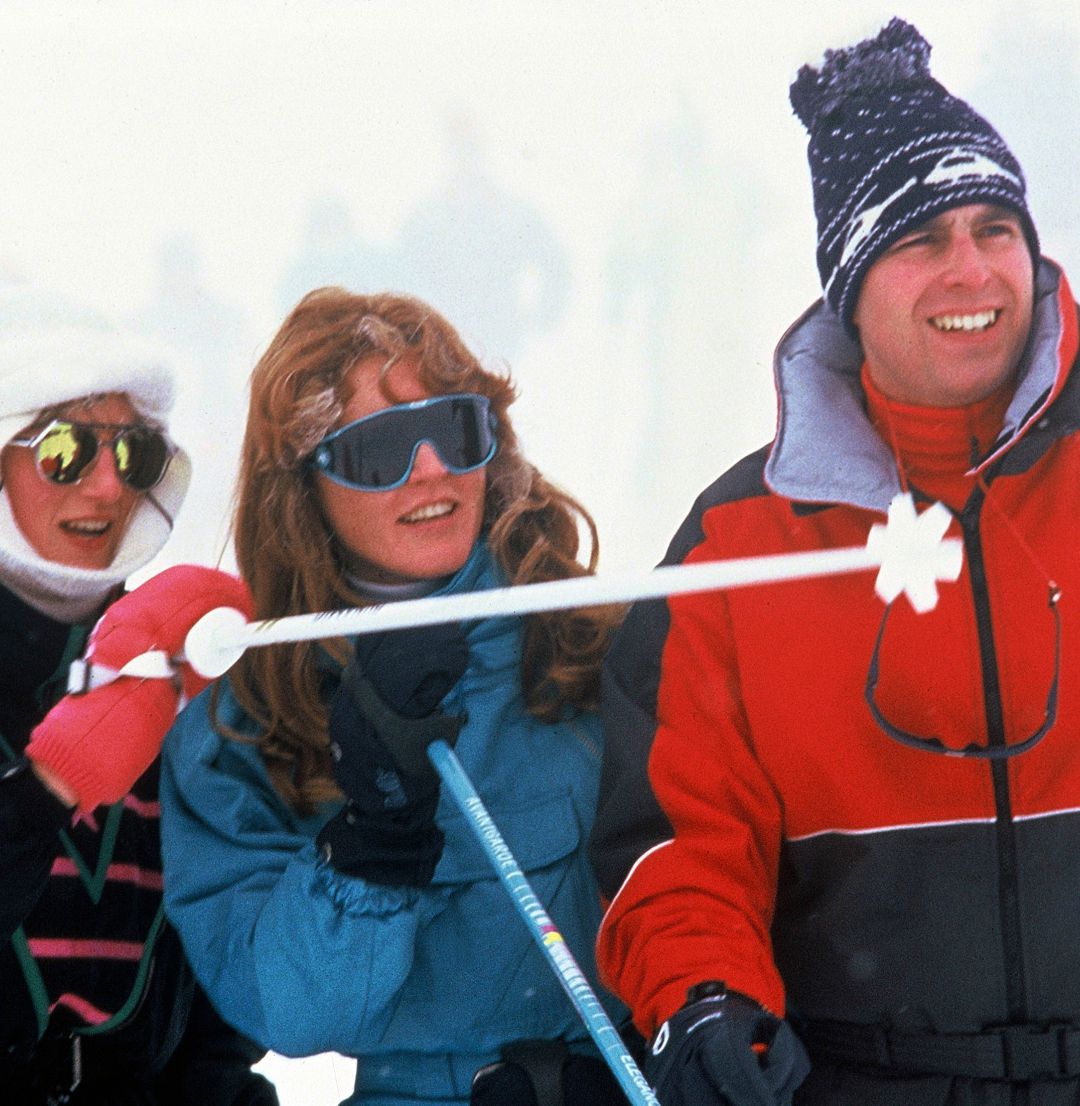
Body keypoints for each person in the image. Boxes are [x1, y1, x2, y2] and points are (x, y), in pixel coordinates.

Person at [590, 17, 1080, 1106]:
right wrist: (702, 995)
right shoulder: (737, 543)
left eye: (995, 226)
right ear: (851, 287)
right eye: (919, 238)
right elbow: (675, 843)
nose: (972, 267)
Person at [158, 288, 630, 1106]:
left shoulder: (594, 648)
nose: (433, 469)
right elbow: (288, 1012)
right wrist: (374, 840)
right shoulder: (245, 726)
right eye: (380, 450)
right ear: (304, 487)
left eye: (455, 428)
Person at [0, 283, 278, 1104]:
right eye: (63, 452)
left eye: (134, 455)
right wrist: (48, 788)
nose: (106, 489)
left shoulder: (181, 664)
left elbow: (222, 1016)